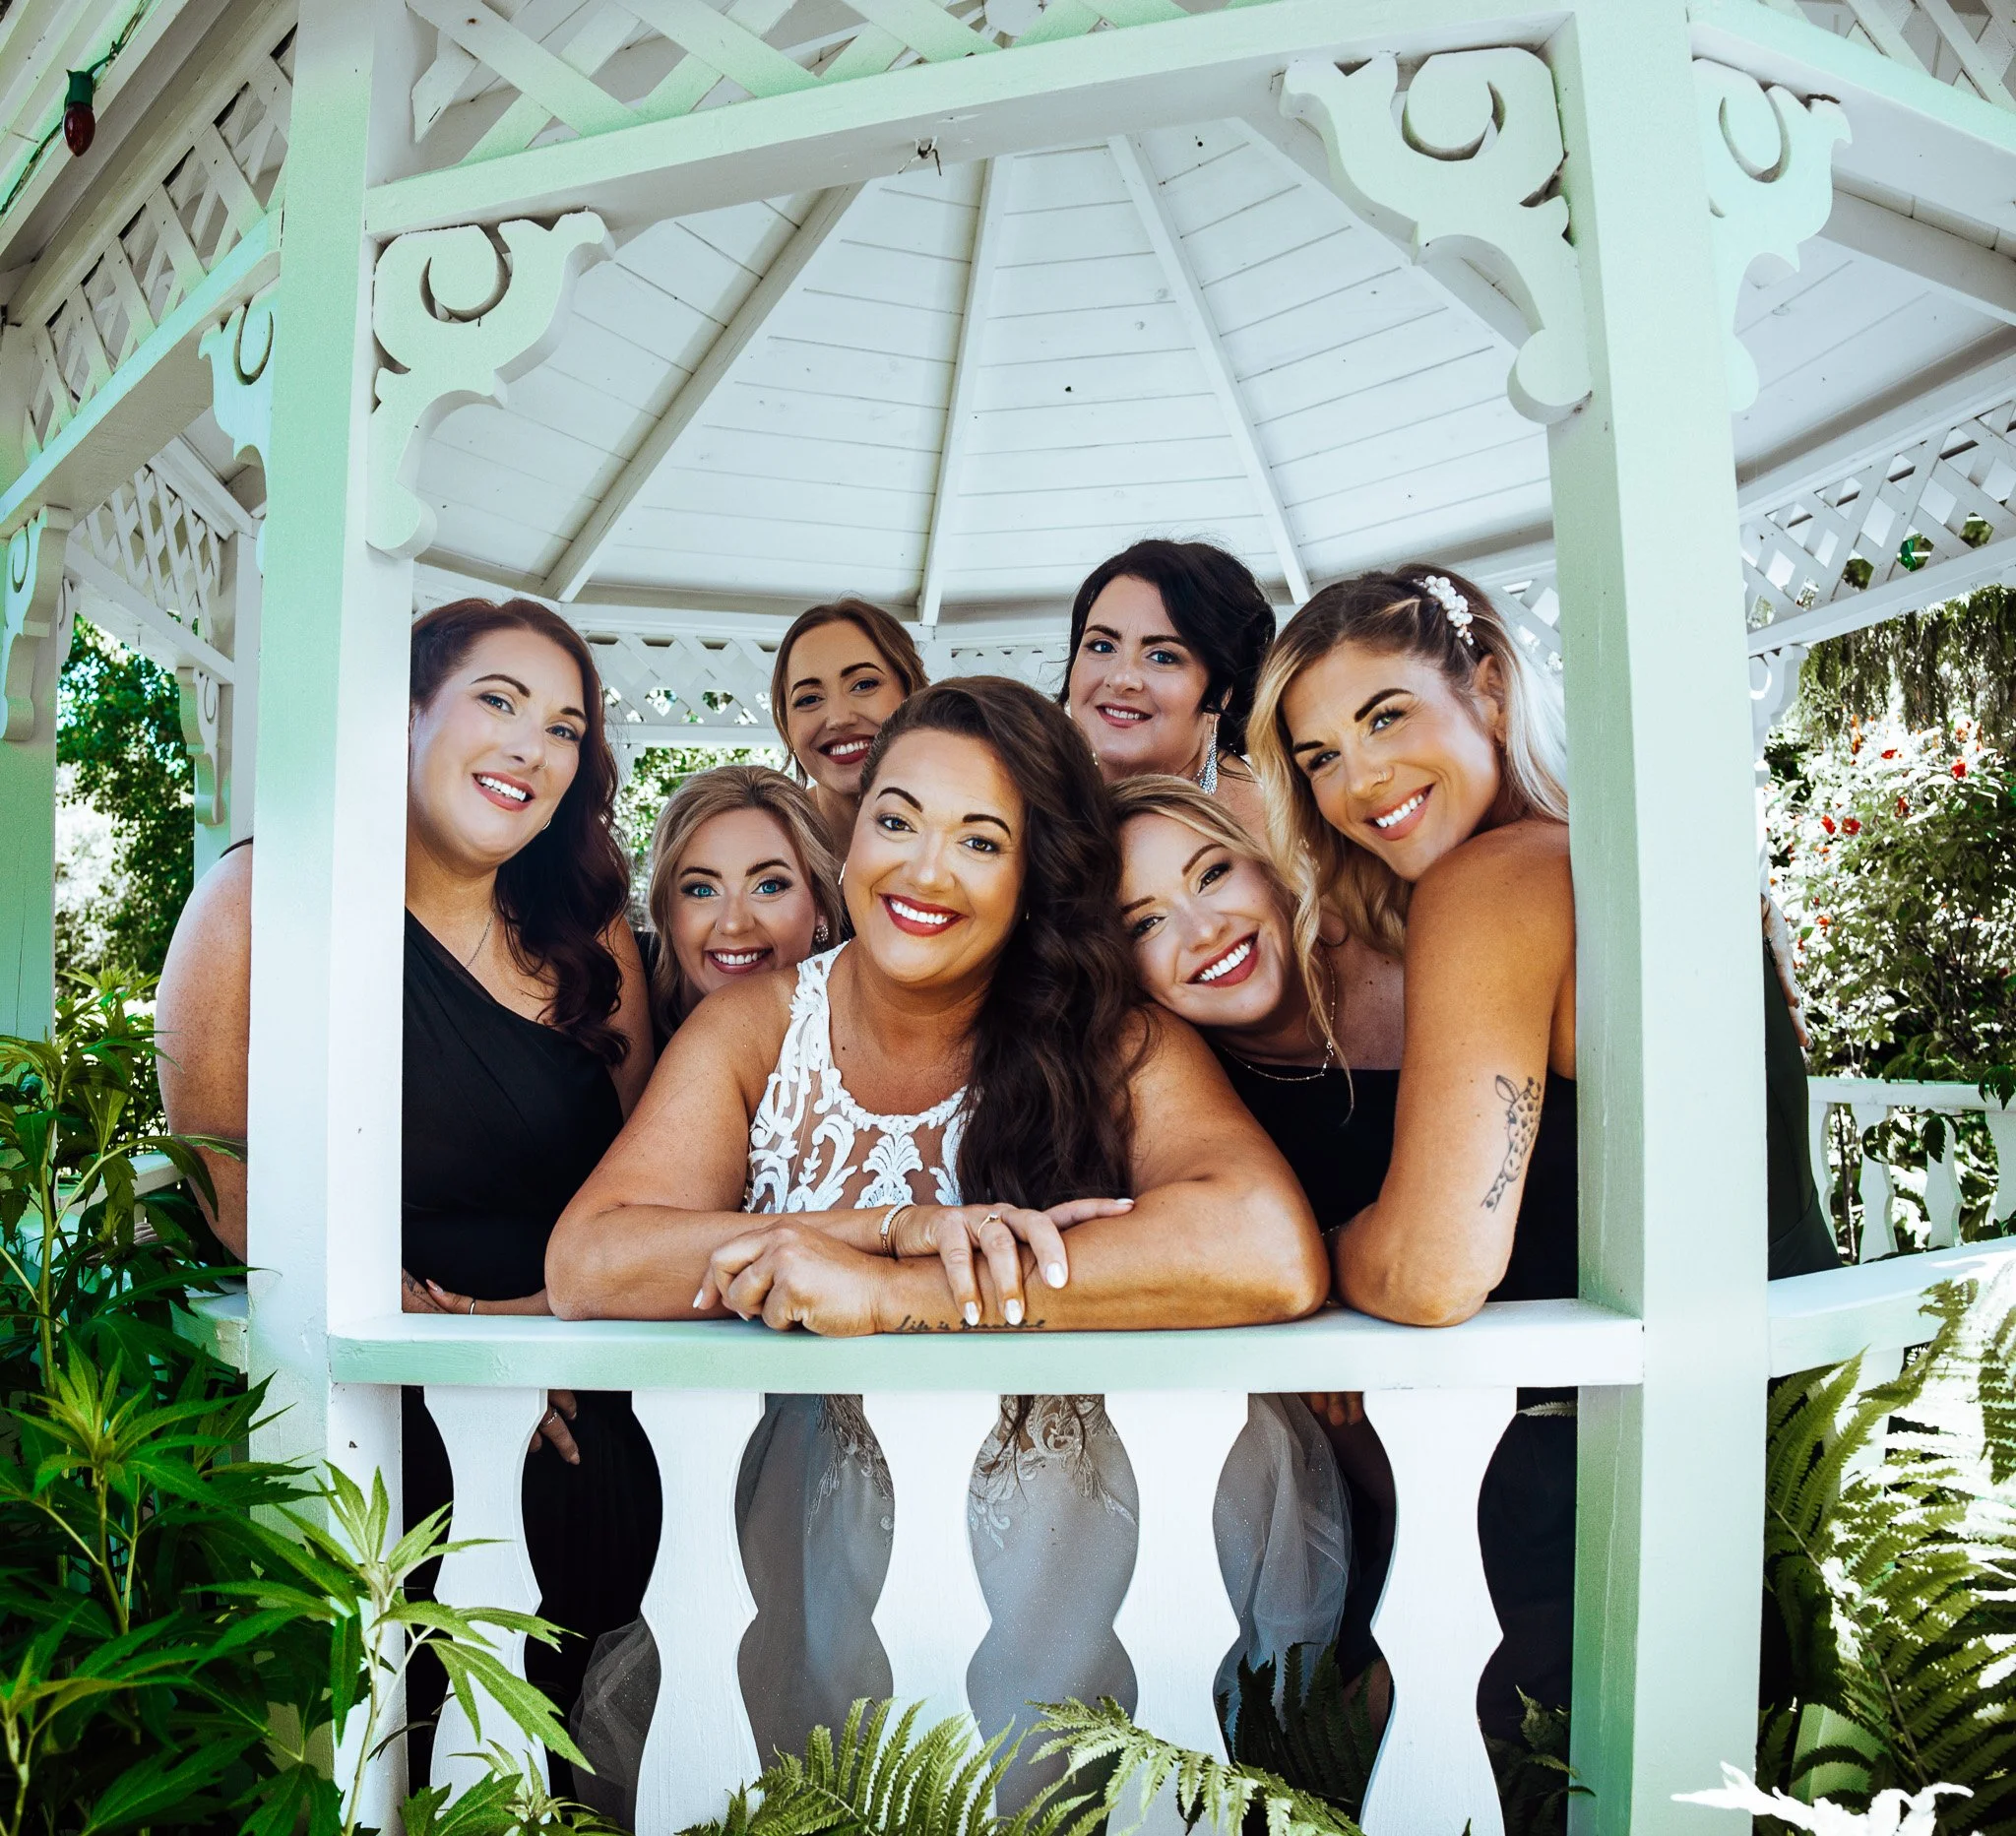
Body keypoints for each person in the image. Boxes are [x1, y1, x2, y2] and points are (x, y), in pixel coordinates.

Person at [548, 677, 1344, 1822]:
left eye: (979, 839)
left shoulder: (1105, 1030)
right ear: (852, 829)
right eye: (895, 819)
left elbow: (1267, 1250)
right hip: (820, 1542)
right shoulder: (759, 1023)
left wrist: (895, 1296)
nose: (921, 871)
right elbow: (595, 1258)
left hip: (1090, 1543)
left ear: (1033, 877)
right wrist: (879, 1223)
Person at [1244, 564, 1841, 1737]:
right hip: (1780, 1442)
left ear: (1492, 688)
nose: (1356, 783)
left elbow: (1430, 1268)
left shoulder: (1490, 880)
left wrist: (1301, 1264)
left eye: (1384, 717)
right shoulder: (1652, 856)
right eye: (1316, 758)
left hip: (1596, 1476)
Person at [156, 596, 662, 1757]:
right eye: (498, 701)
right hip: (380, 1426)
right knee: (401, 1753)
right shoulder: (257, 905)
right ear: (405, 714)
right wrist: (432, 1339)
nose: (533, 745)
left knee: (593, 1756)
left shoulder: (591, 938)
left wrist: (548, 1336)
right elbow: (229, 1189)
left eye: (567, 726)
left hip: (587, 1409)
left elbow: (651, 1181)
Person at [1061, 539, 1278, 833]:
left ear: (1222, 691)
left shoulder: (1258, 842)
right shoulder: (1041, 799)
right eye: (1101, 646)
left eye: (1163, 656)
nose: (1121, 678)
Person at [641, 765, 845, 1043]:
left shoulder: (856, 1040)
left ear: (820, 902)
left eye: (769, 887)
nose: (733, 924)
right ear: (666, 907)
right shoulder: (613, 998)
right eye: (702, 890)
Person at [769, 598, 929, 850]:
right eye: (809, 699)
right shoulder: (765, 840)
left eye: (864, 685)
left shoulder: (974, 823)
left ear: (913, 693)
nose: (839, 719)